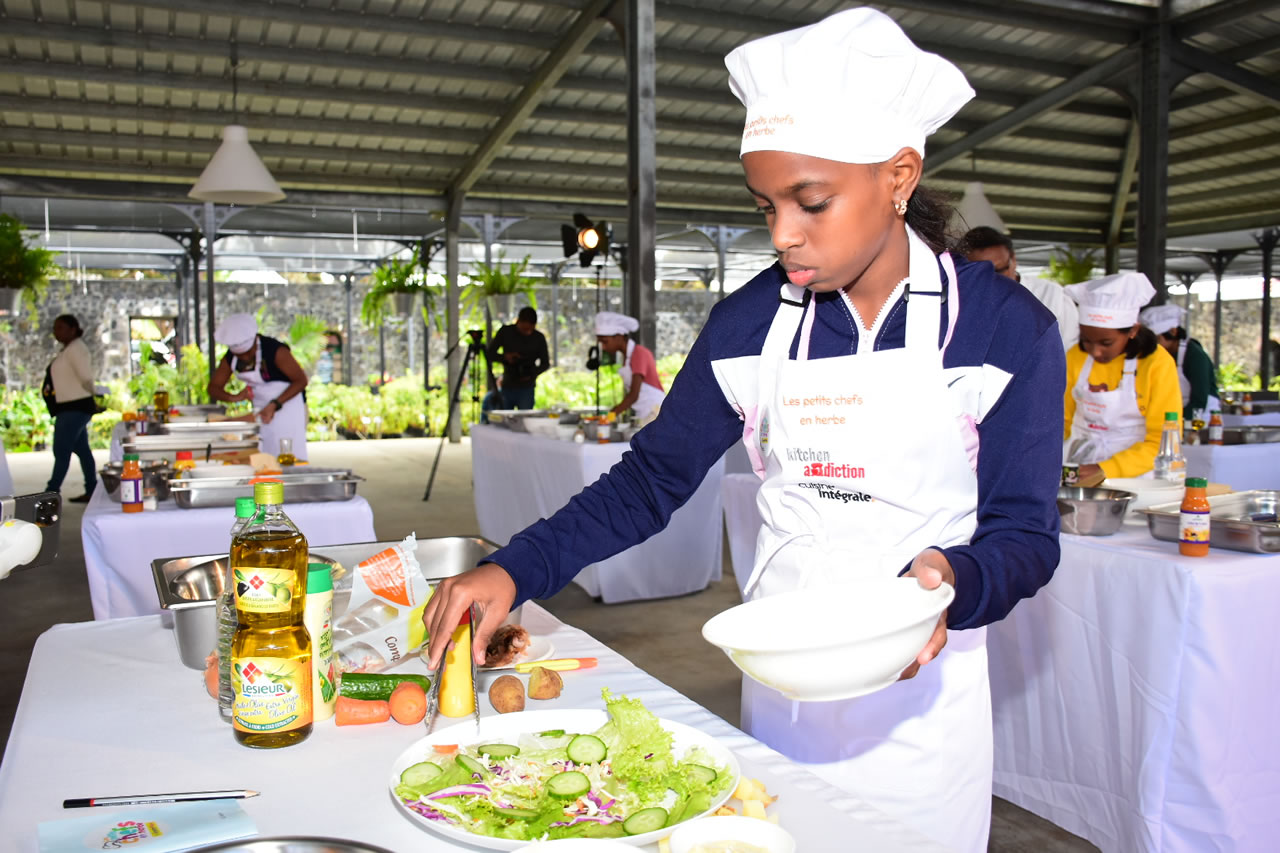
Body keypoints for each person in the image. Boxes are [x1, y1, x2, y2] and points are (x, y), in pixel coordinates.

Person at [423, 10, 1064, 852]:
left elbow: (1026, 533)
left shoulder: (1003, 330)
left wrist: (955, 575)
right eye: (765, 205)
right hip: (779, 688)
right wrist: (513, 568)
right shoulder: (749, 323)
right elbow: (651, 481)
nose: (782, 235)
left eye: (811, 202)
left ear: (899, 176)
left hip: (923, 703)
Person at [1063, 273, 1183, 481]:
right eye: (1087, 340)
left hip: (1139, 473)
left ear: (1133, 331)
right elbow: (1059, 421)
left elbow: (1162, 441)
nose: (1095, 351)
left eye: (1106, 343)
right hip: (1078, 462)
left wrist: (1106, 469)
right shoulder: (1075, 356)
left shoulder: (1156, 363)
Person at [208, 313, 309, 461]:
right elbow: (213, 388)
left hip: (288, 407)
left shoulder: (275, 350)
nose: (244, 358)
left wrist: (275, 404)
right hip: (260, 410)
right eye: (240, 355)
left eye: (248, 353)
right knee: (264, 453)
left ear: (254, 341)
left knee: (288, 455)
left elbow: (301, 381)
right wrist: (235, 397)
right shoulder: (230, 357)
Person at [959, 225, 1079, 350]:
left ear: (1014, 260)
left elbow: (1069, 350)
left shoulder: (1052, 295)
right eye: (980, 274)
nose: (991, 280)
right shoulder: (960, 301)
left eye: (998, 271)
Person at [43, 314, 99, 502]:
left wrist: (94, 396)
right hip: (71, 406)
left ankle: (51, 493)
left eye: (60, 327)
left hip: (75, 407)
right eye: (55, 327)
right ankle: (92, 489)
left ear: (73, 329)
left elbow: (85, 377)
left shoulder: (76, 349)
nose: (55, 331)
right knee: (82, 449)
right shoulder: (69, 349)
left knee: (61, 449)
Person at [1139, 303, 1220, 421]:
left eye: (1157, 339)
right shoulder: (1159, 357)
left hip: (1202, 418)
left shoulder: (1195, 356)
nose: (1153, 345)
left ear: (1173, 331)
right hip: (1174, 415)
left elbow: (1199, 400)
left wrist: (1175, 419)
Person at [594, 311, 666, 422]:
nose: (603, 347)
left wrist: (610, 416)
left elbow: (633, 395)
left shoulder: (639, 353)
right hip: (645, 413)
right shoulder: (627, 357)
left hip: (656, 412)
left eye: (605, 342)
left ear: (619, 337)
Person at [486, 307, 549, 410]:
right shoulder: (506, 332)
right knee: (505, 419)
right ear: (518, 321)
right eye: (524, 329)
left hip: (527, 387)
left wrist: (531, 373)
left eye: (529, 330)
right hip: (508, 384)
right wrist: (505, 357)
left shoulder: (538, 338)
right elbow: (489, 354)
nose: (526, 332)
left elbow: (545, 363)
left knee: (525, 420)